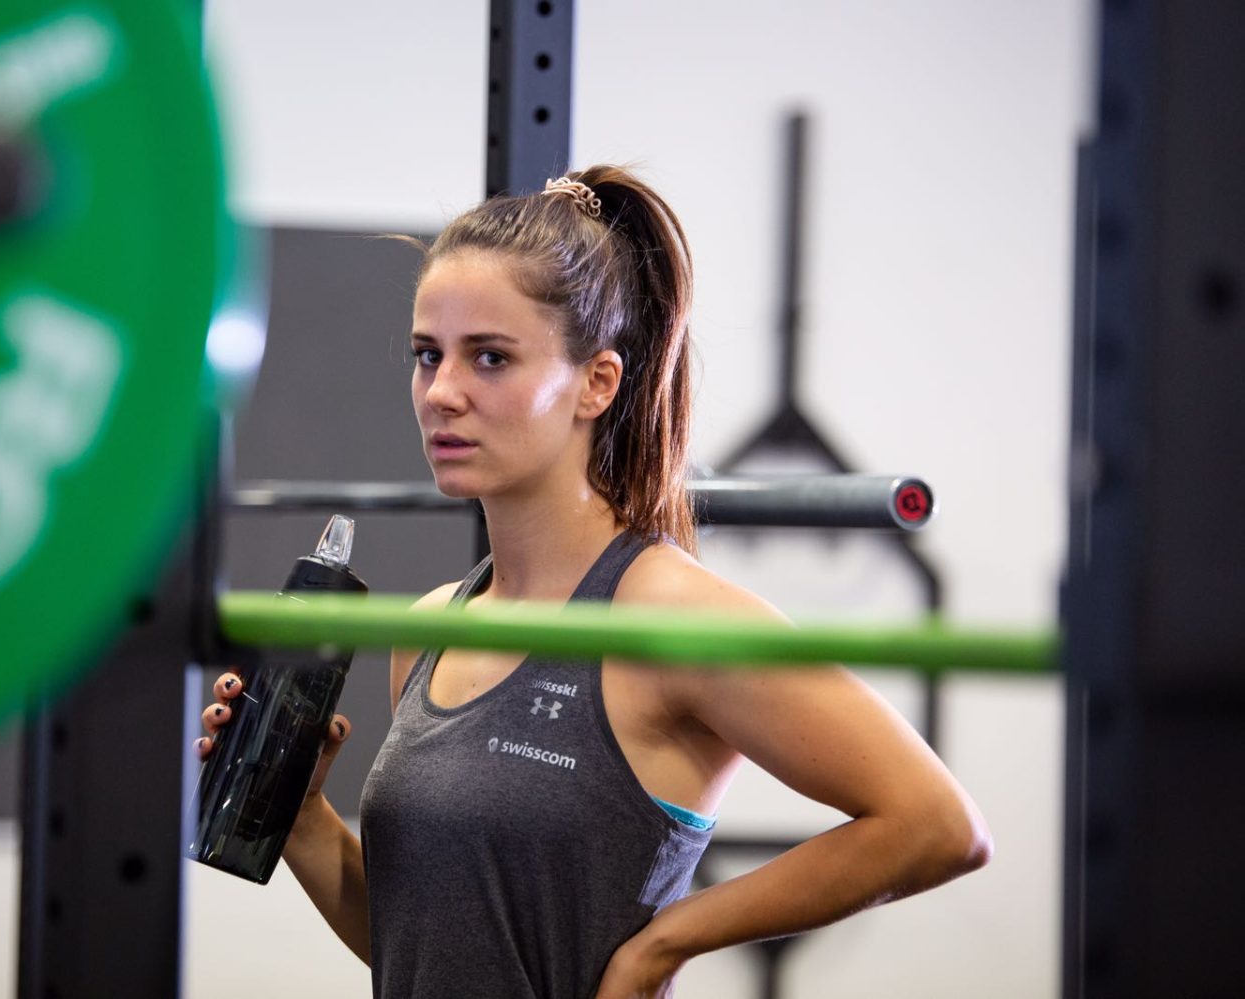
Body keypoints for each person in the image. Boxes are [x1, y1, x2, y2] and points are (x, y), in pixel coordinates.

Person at [198, 165, 991, 998]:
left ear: (597, 383)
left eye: (490, 358)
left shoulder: (668, 616)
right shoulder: (436, 626)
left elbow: (936, 823)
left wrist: (666, 942)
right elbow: (425, 944)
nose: (442, 392)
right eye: (428, 355)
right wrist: (303, 818)